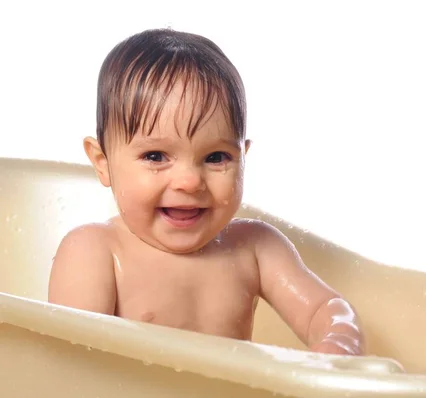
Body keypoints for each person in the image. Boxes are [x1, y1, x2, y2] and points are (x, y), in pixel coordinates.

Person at [48, 28, 365, 356]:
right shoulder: (95, 252)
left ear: (243, 158)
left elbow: (323, 309)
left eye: (216, 157)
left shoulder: (255, 249)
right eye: (155, 156)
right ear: (102, 163)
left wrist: (338, 341)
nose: (189, 182)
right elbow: (71, 367)